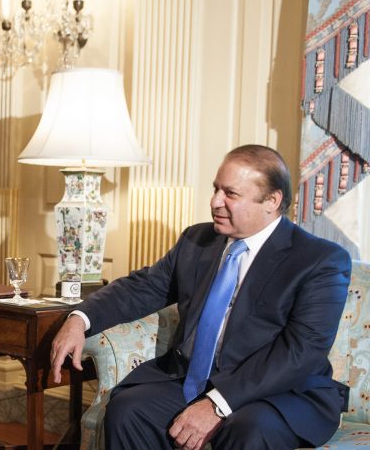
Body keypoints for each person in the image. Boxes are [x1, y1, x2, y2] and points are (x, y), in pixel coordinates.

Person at [50, 145, 351, 450]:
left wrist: (218, 404)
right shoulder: (198, 240)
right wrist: (79, 318)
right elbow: (142, 287)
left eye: (230, 194)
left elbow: (300, 352)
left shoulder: (319, 260)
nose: (215, 202)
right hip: (196, 380)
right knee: (129, 410)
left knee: (249, 430)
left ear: (271, 201)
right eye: (216, 189)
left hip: (279, 392)